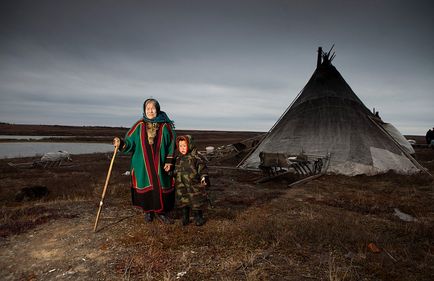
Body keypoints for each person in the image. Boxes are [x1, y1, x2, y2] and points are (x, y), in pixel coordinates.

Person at [113, 98, 176, 224]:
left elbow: (172, 144)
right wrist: (121, 143)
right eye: (148, 108)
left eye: (153, 108)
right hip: (142, 164)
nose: (150, 111)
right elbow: (130, 142)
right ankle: (148, 212)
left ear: (157, 109)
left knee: (161, 185)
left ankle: (161, 212)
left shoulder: (166, 126)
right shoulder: (139, 125)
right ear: (144, 110)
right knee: (145, 185)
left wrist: (169, 161)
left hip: (161, 163)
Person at [174, 135, 210, 226]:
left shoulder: (196, 158)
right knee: (183, 201)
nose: (182, 148)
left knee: (196, 201)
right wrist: (171, 173)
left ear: (190, 145)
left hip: (194, 185)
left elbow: (202, 168)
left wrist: (203, 176)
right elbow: (176, 169)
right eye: (180, 146)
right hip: (181, 185)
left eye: (184, 146)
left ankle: (198, 218)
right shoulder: (178, 158)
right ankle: (185, 217)